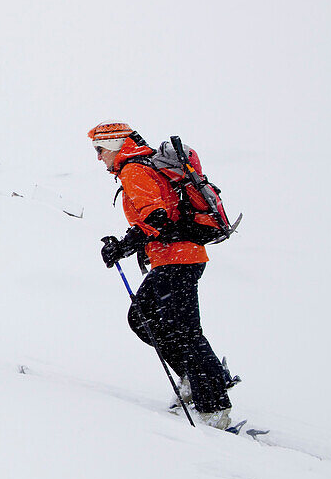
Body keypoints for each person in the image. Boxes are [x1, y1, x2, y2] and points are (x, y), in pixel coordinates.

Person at [89, 121, 235, 429]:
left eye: (100, 149)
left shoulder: (133, 170)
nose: (98, 156)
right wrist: (127, 244)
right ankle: (200, 379)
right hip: (176, 257)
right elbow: (159, 216)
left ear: (114, 145)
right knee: (144, 319)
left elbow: (157, 216)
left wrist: (122, 246)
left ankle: (214, 404)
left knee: (182, 330)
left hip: (178, 258)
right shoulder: (139, 166)